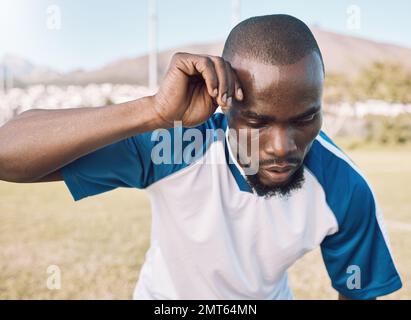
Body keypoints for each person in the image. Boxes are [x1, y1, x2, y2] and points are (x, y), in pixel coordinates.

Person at [0, 14, 402, 300]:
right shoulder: (175, 145)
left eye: (305, 118)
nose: (282, 146)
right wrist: (155, 112)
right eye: (257, 122)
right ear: (225, 106)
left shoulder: (345, 186)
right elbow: (7, 154)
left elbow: (357, 292)